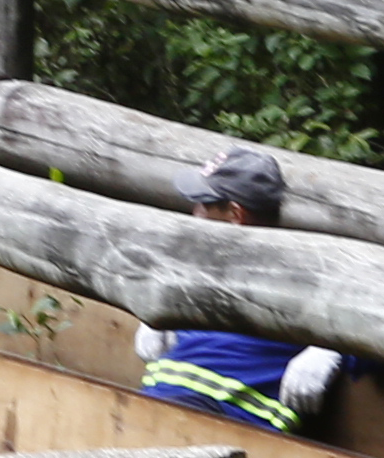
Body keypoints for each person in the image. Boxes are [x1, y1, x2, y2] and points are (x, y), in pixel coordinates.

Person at [133, 146, 358, 437]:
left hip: (225, 427)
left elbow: (381, 316)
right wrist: (153, 312)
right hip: (150, 408)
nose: (195, 213)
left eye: (204, 204)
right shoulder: (200, 261)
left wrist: (332, 349)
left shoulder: (300, 277)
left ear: (235, 215)